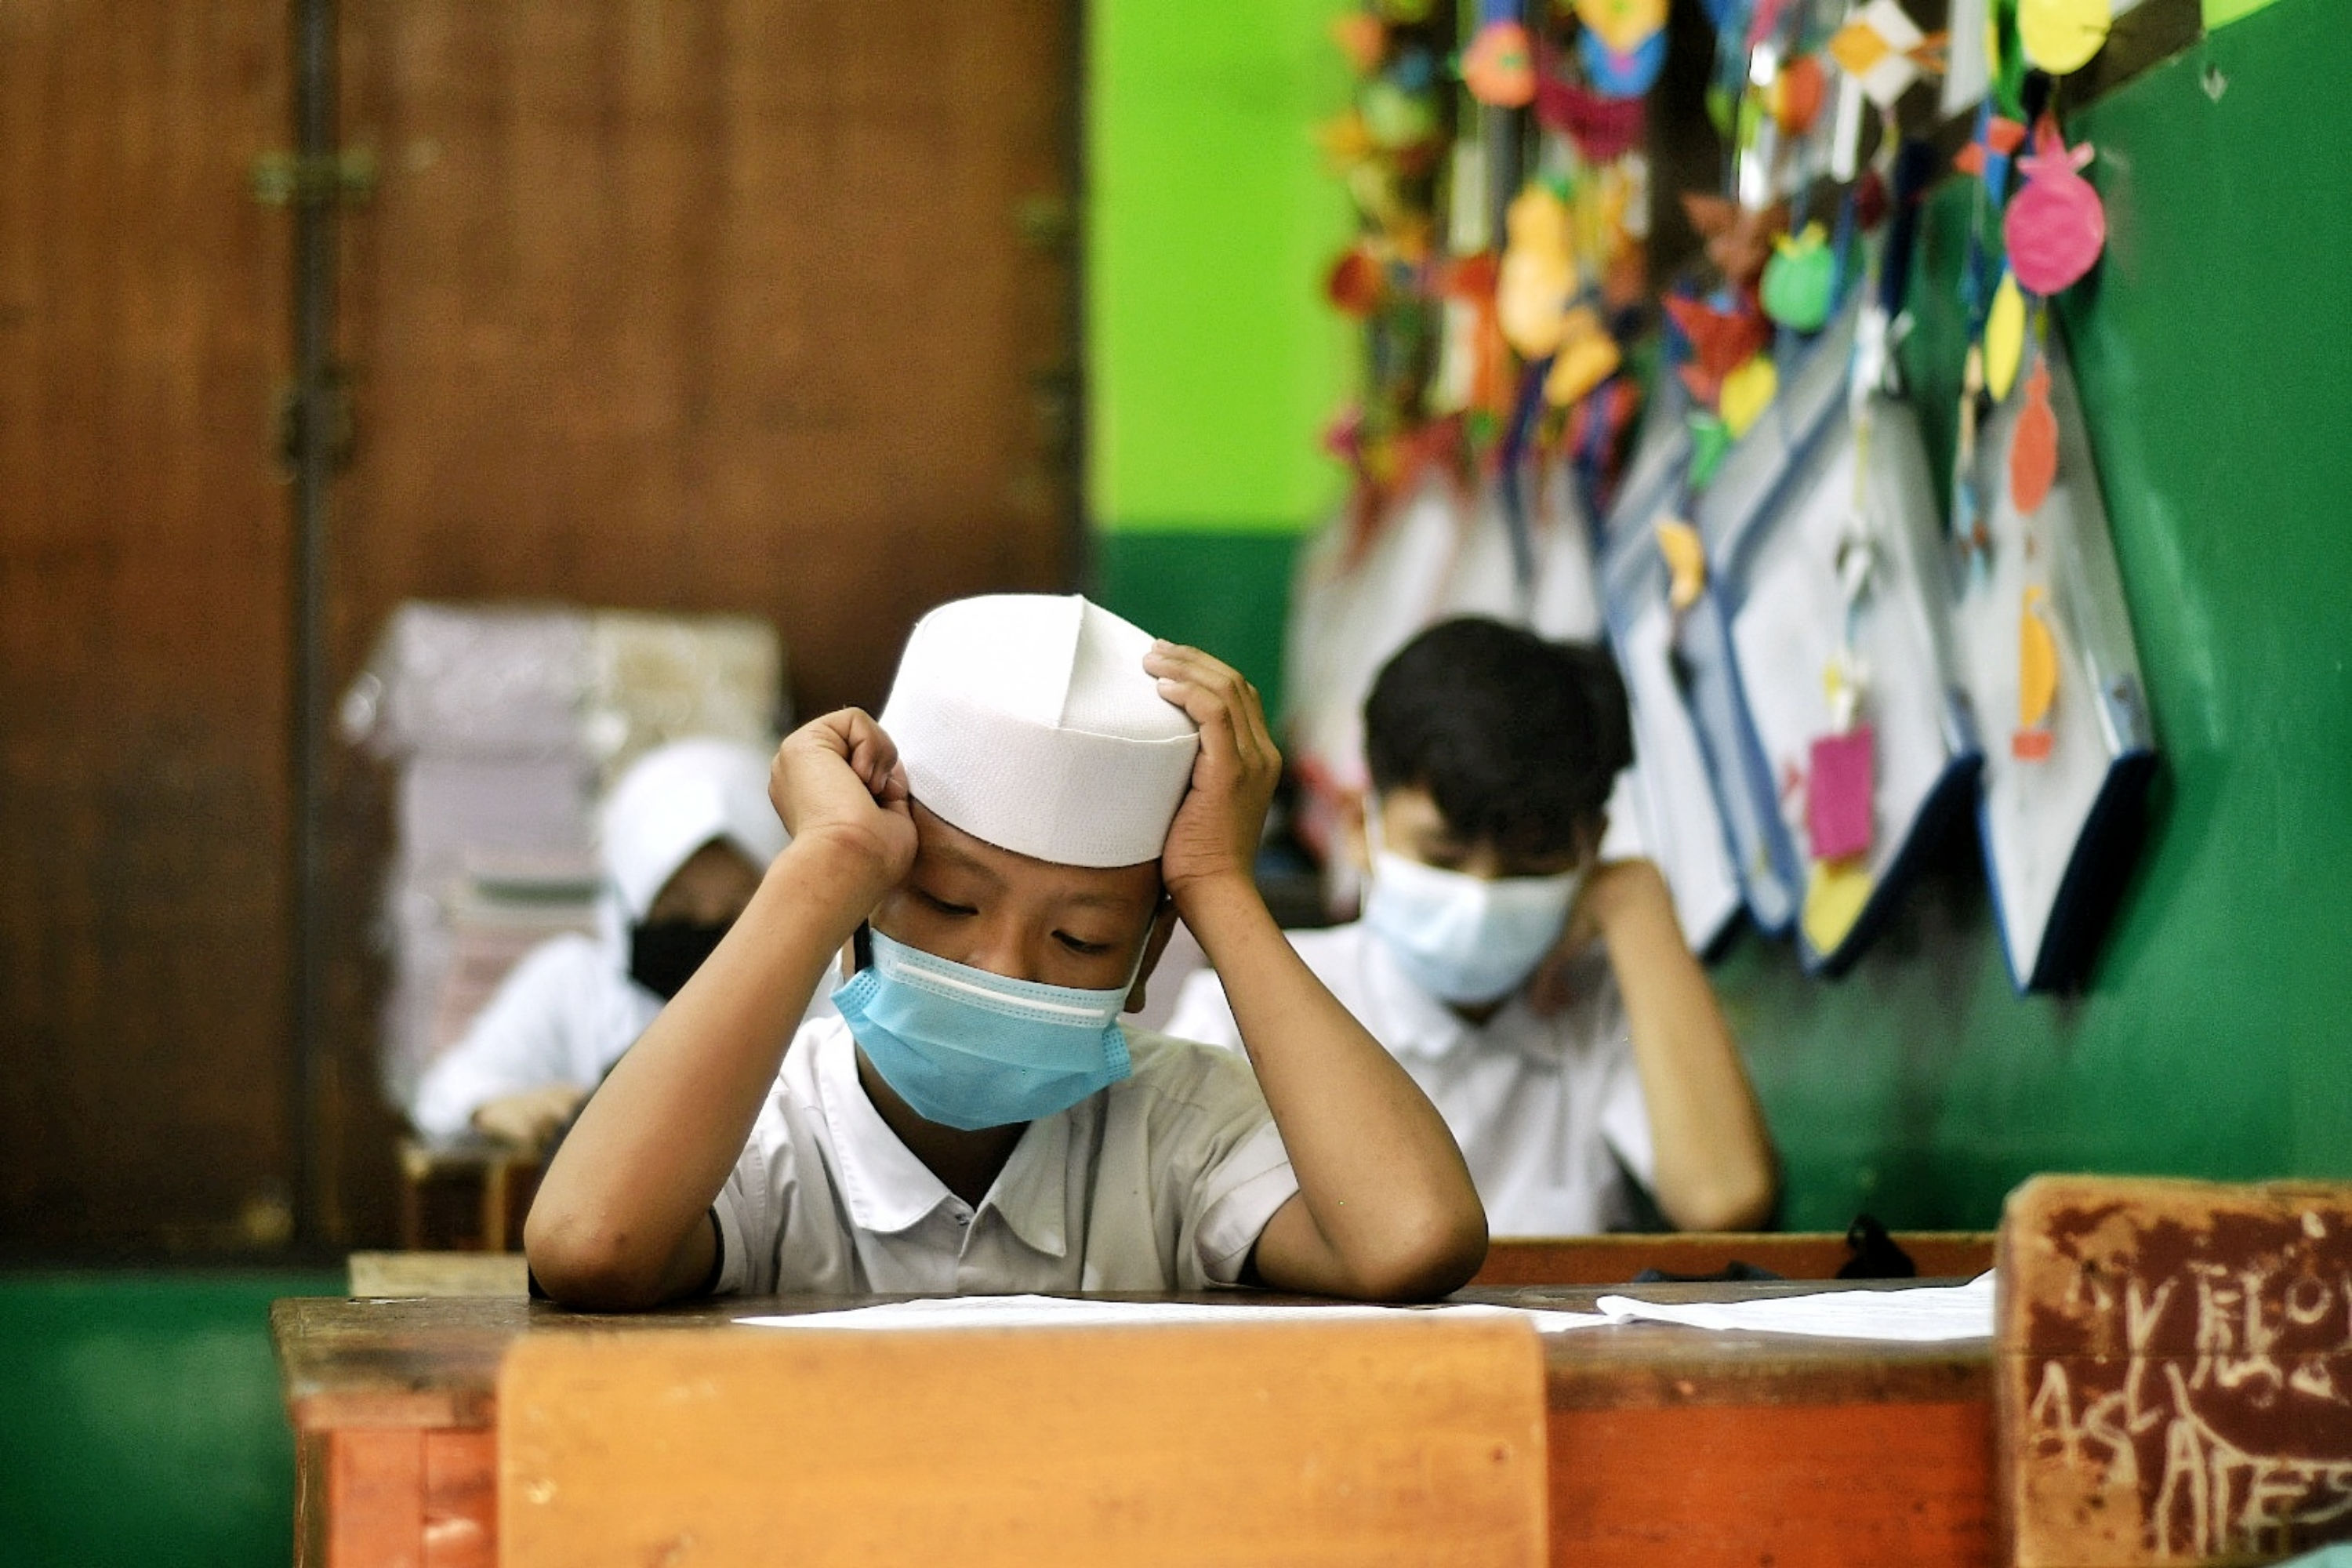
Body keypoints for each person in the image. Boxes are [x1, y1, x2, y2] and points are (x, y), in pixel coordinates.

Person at [524, 594, 1487, 1308]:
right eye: (948, 904)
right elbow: (589, 1245)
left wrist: (1218, 887)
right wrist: (823, 864)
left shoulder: (1182, 1130)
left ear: (1148, 960)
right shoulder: (755, 1133)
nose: (1005, 970)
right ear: (861, 915)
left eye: (1083, 937)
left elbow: (1412, 1238)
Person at [1167, 617, 1778, 1236]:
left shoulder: (1609, 1006)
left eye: (1528, 864)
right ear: (1359, 828)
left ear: (1589, 847)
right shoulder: (1239, 1010)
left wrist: (1637, 903)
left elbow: (1723, 1201)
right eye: (1442, 858)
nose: (1480, 896)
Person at [409, 737, 786, 1149]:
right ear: (627, 899)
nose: (708, 930)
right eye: (676, 908)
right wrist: (498, 1106)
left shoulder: (817, 999)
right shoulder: (573, 983)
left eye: (741, 909)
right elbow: (446, 1093)